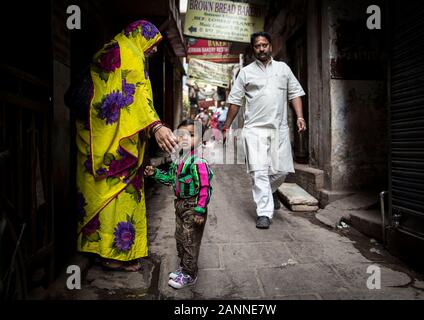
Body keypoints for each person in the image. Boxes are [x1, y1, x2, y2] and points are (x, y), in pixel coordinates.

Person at [74, 20, 178, 271]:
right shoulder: (130, 53)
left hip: (95, 136)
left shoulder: (114, 46)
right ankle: (114, 256)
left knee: (96, 192)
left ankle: (97, 250)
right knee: (119, 194)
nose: (153, 50)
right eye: (152, 43)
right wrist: (156, 126)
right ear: (142, 36)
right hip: (114, 142)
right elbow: (135, 95)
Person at [223, 31, 307, 229]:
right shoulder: (245, 73)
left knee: (282, 170)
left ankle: (270, 191)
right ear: (253, 49)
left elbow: (295, 93)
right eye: (257, 46)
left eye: (264, 45)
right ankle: (264, 213)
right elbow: (235, 101)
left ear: (270, 46)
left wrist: (300, 116)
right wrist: (226, 125)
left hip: (280, 128)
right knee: (259, 171)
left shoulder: (283, 69)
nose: (261, 49)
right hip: (254, 130)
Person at [144, 119, 213, 289]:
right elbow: (170, 179)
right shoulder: (178, 160)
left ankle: (190, 274)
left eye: (191, 134)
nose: (185, 138)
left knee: (190, 240)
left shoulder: (199, 162)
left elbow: (205, 187)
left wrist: (199, 210)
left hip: (193, 206)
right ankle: (184, 267)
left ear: (201, 139)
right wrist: (155, 173)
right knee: (181, 238)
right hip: (180, 205)